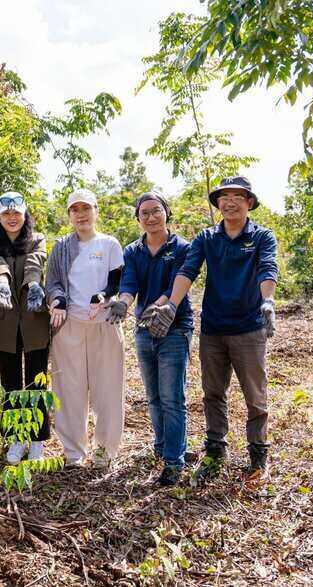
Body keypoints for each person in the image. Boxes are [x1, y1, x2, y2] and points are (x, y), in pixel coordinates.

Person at [152, 176, 278, 483]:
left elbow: (267, 268)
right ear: (218, 203)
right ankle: (215, 452)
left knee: (255, 396)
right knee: (213, 393)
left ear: (249, 202)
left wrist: (268, 301)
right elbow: (188, 271)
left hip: (249, 328)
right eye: (224, 196)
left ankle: (258, 454)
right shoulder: (207, 238)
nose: (230, 202)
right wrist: (171, 304)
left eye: (238, 196)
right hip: (213, 329)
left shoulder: (262, 236)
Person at [44, 188, 126, 469]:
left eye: (86, 208)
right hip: (70, 327)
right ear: (69, 215)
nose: (81, 215)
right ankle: (73, 453)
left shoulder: (109, 244)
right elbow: (53, 283)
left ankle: (104, 452)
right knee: (69, 390)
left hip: (105, 325)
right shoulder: (61, 247)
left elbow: (116, 281)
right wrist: (58, 300)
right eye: (75, 210)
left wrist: (103, 296)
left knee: (108, 390)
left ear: (96, 211)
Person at [117, 190, 193, 486]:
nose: (150, 217)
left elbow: (176, 284)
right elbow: (129, 284)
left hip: (175, 328)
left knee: (172, 397)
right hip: (144, 330)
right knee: (154, 396)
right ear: (138, 219)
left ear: (166, 213)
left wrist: (158, 306)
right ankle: (161, 447)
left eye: (156, 210)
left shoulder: (182, 248)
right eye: (144, 213)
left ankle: (174, 461)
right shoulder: (132, 251)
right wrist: (123, 303)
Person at [0, 192, 51, 465]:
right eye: (6, 214)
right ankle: (15, 437)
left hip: (34, 319)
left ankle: (36, 439)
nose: (12, 218)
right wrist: (2, 282)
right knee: (10, 382)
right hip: (5, 320)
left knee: (36, 381)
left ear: (25, 215)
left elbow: (35, 262)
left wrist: (33, 285)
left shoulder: (38, 239)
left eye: (17, 213)